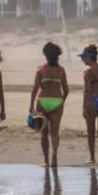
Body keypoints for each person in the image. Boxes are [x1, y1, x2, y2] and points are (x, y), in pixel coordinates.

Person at [28, 41, 70, 169]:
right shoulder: (61, 70)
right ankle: (54, 157)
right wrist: (61, 101)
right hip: (57, 101)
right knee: (55, 132)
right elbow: (66, 89)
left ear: (45, 55)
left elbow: (35, 88)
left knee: (44, 133)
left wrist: (31, 106)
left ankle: (46, 161)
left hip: (43, 101)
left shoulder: (41, 70)